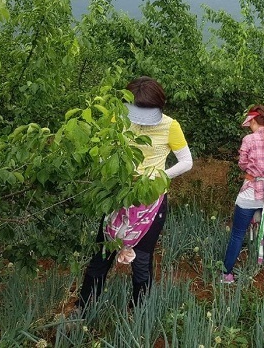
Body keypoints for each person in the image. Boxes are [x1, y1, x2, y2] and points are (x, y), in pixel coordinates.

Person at [75, 76, 193, 309]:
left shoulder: (170, 126)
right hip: (118, 198)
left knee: (141, 260)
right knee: (102, 254)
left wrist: (158, 177)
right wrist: (111, 168)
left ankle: (137, 312)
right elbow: (103, 150)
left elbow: (186, 161)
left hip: (151, 201)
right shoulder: (117, 118)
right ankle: (83, 309)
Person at [221, 105, 264, 283]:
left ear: (253, 121)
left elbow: (242, 164)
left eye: (249, 123)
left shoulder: (249, 140)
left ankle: (227, 274)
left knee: (237, 234)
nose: (248, 126)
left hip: (251, 193)